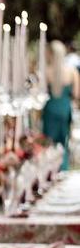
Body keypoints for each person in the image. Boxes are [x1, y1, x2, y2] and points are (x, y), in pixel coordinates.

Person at [42, 40, 80, 170]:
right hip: (64, 109)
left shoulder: (47, 71)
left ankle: (49, 170)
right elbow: (76, 94)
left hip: (50, 109)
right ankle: (63, 167)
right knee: (63, 141)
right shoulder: (72, 72)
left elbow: (40, 92)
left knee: (49, 142)